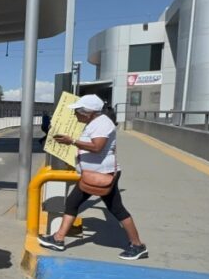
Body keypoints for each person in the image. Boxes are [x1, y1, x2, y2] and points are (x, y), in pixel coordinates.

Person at [38, 94, 148, 260]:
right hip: (93, 174)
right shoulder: (95, 122)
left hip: (102, 174)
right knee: (73, 202)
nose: (75, 115)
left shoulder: (102, 124)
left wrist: (72, 141)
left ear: (88, 112)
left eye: (77, 111)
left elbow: (97, 147)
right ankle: (58, 238)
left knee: (116, 209)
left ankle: (137, 245)